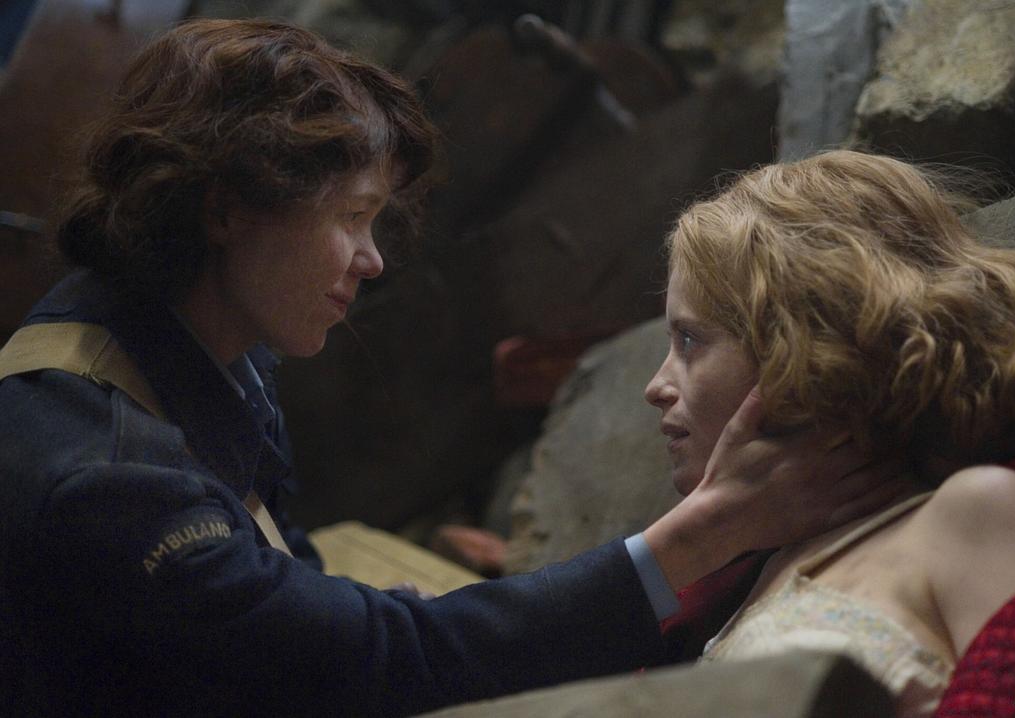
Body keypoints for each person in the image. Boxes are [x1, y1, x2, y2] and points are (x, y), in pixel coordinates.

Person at [0, 20, 896, 716]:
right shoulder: (107, 474)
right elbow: (379, 665)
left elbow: (272, 549)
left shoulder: (190, 339)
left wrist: (338, 605)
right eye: (351, 217)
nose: (372, 259)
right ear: (227, 208)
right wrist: (702, 533)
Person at [645, 150, 1015, 717]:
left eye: (689, 341)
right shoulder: (739, 579)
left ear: (803, 339)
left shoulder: (973, 515)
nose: (656, 386)